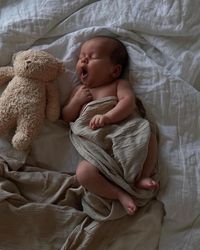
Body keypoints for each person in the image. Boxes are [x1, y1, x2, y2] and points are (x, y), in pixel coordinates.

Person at [62, 36, 158, 215]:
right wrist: (76, 102)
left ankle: (144, 175)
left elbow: (128, 103)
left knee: (148, 136)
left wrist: (108, 117)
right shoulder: (79, 91)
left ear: (114, 71)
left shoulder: (118, 84)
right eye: (82, 56)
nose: (83, 60)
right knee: (83, 173)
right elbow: (67, 117)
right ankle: (118, 194)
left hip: (123, 134)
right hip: (98, 150)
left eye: (92, 57)